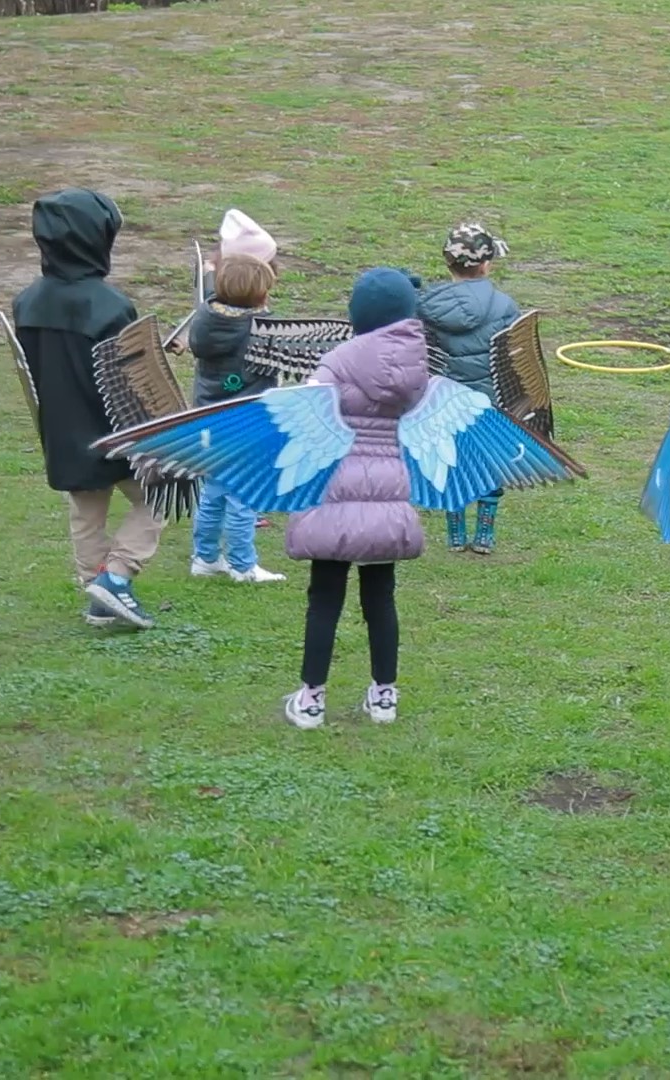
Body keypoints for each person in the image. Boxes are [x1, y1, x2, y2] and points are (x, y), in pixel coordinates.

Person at [281, 269, 428, 729]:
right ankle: (384, 697)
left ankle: (311, 700)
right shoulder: (416, 368)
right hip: (388, 495)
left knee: (325, 597)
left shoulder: (338, 362)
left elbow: (306, 416)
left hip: (336, 496)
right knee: (381, 597)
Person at [10, 188, 162, 630]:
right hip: (115, 432)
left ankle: (98, 593)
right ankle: (116, 577)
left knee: (86, 515)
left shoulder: (27, 301)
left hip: (64, 431)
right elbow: (130, 377)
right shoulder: (110, 306)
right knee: (159, 494)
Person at [186, 210, 288, 583]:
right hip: (246, 426)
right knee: (244, 496)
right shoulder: (261, 331)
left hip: (207, 422)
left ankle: (205, 557)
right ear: (261, 293)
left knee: (213, 492)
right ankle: (243, 565)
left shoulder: (205, 318)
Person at [418, 222, 521, 554]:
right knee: (489, 461)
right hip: (490, 402)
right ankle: (484, 536)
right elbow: (514, 358)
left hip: (444, 403)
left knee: (451, 461)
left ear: (448, 262)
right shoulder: (505, 305)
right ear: (487, 264)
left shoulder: (427, 305)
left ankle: (455, 535)